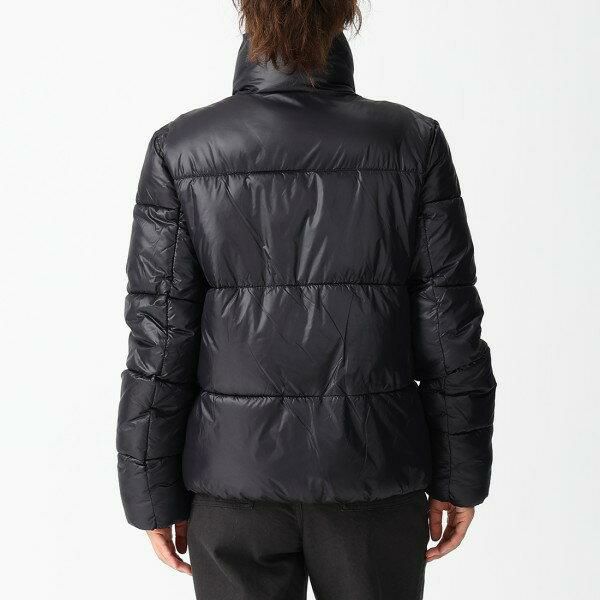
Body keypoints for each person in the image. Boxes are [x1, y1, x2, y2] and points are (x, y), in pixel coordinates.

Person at [117, 1, 496, 598]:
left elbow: (158, 338)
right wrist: (460, 471)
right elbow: (450, 330)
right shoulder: (411, 143)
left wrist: (151, 489)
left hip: (233, 478)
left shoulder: (182, 150)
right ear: (343, 15)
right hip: (372, 474)